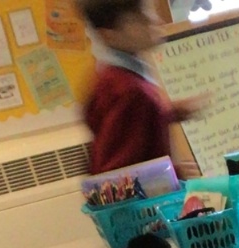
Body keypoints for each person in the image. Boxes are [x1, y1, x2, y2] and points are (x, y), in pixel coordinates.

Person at [80, 0, 205, 175]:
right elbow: (116, 175)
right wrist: (172, 173)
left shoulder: (115, 77)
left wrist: (166, 113)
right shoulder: (129, 91)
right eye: (140, 18)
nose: (155, 21)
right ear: (108, 35)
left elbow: (130, 129)